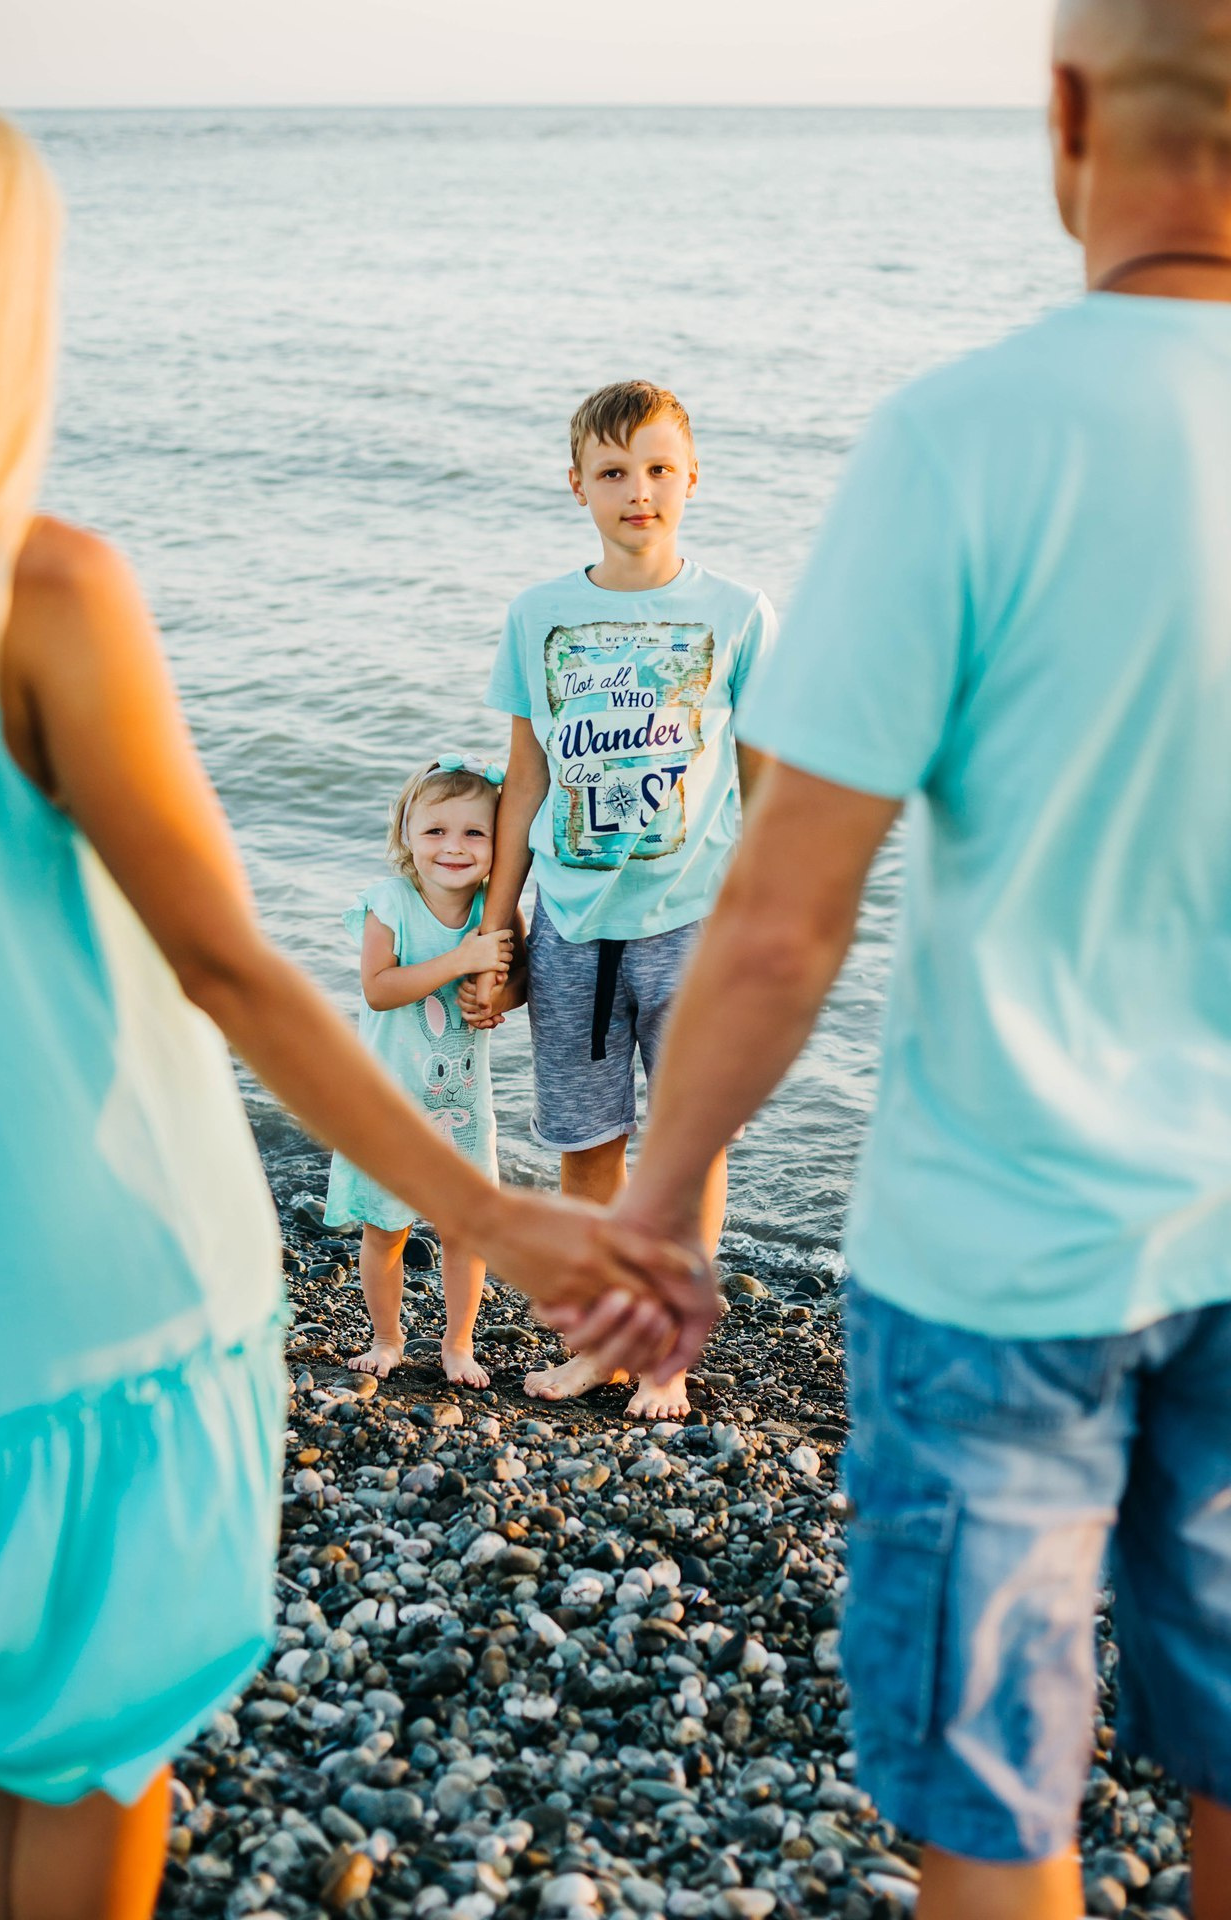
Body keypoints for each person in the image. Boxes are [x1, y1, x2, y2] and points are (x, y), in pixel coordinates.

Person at [0, 102, 716, 1920]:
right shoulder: (37, 592)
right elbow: (228, 966)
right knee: (86, 1766)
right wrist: (489, 1208)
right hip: (97, 1319)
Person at [615, 4, 1231, 1916]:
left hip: (991, 1260)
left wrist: (656, 1221)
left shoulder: (960, 441)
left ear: (1065, 115)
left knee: (991, 1806)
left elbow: (789, 918)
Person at [468, 379, 776, 1419]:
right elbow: (523, 782)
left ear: (691, 479)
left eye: (655, 469)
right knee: (586, 1154)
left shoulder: (737, 615)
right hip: (571, 934)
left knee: (688, 1155)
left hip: (695, 928)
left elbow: (768, 785)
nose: (635, 490)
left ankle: (665, 1355)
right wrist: (495, 923)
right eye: (611, 473)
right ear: (576, 488)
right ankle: (599, 1341)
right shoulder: (537, 616)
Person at [324, 753, 527, 1388]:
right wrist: (459, 961)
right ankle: (387, 1339)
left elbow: (520, 978)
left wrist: (497, 996)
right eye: (436, 831)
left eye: (475, 832)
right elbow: (379, 989)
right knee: (387, 1227)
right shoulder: (390, 905)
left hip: (464, 1105)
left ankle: (458, 1345)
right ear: (407, 837)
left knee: (465, 1227)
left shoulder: (496, 908)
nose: (454, 847)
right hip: (390, 1101)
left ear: (500, 844)